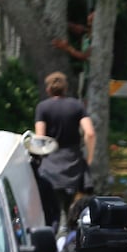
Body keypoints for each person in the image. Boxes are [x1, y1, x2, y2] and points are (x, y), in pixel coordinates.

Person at [33, 72, 96, 224]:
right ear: (65, 88)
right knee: (72, 211)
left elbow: (40, 138)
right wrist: (89, 158)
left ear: (48, 89)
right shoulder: (77, 105)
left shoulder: (43, 107)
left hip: (50, 166)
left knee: (50, 211)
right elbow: (90, 133)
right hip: (73, 165)